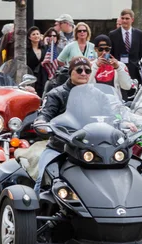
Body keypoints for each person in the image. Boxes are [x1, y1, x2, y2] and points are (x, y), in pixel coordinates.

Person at [33, 56, 92, 195]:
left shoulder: (97, 94)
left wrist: (125, 120)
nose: (83, 73)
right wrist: (42, 122)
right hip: (60, 148)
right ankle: (34, 213)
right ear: (71, 72)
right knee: (43, 179)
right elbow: (46, 113)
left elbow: (114, 111)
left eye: (87, 70)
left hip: (91, 150)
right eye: (79, 70)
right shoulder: (56, 94)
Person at [109, 9, 142, 88]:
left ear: (132, 19)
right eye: (122, 18)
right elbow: (111, 53)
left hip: (134, 70)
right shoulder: (113, 34)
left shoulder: (138, 34)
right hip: (119, 69)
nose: (124, 21)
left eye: (127, 18)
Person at [26, 26, 48, 97]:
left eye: (37, 34)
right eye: (33, 34)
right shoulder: (26, 50)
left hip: (43, 75)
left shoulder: (45, 48)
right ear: (29, 37)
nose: (36, 36)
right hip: (31, 76)